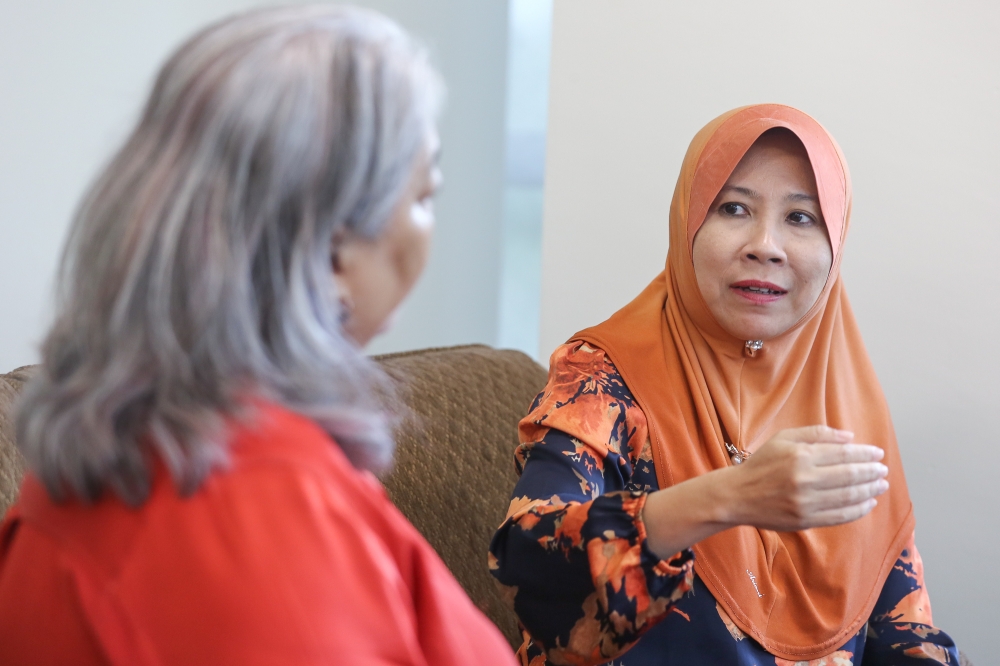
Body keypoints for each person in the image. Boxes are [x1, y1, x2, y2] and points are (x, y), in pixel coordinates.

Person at [0, 6, 516, 665]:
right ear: (331, 252)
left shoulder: (136, 455)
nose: (430, 227)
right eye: (424, 195)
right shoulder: (250, 519)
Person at [489, 105, 960, 665]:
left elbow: (904, 628)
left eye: (801, 218)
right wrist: (729, 496)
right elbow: (529, 550)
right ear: (688, 219)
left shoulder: (847, 401)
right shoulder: (603, 378)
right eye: (734, 208)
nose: (766, 244)